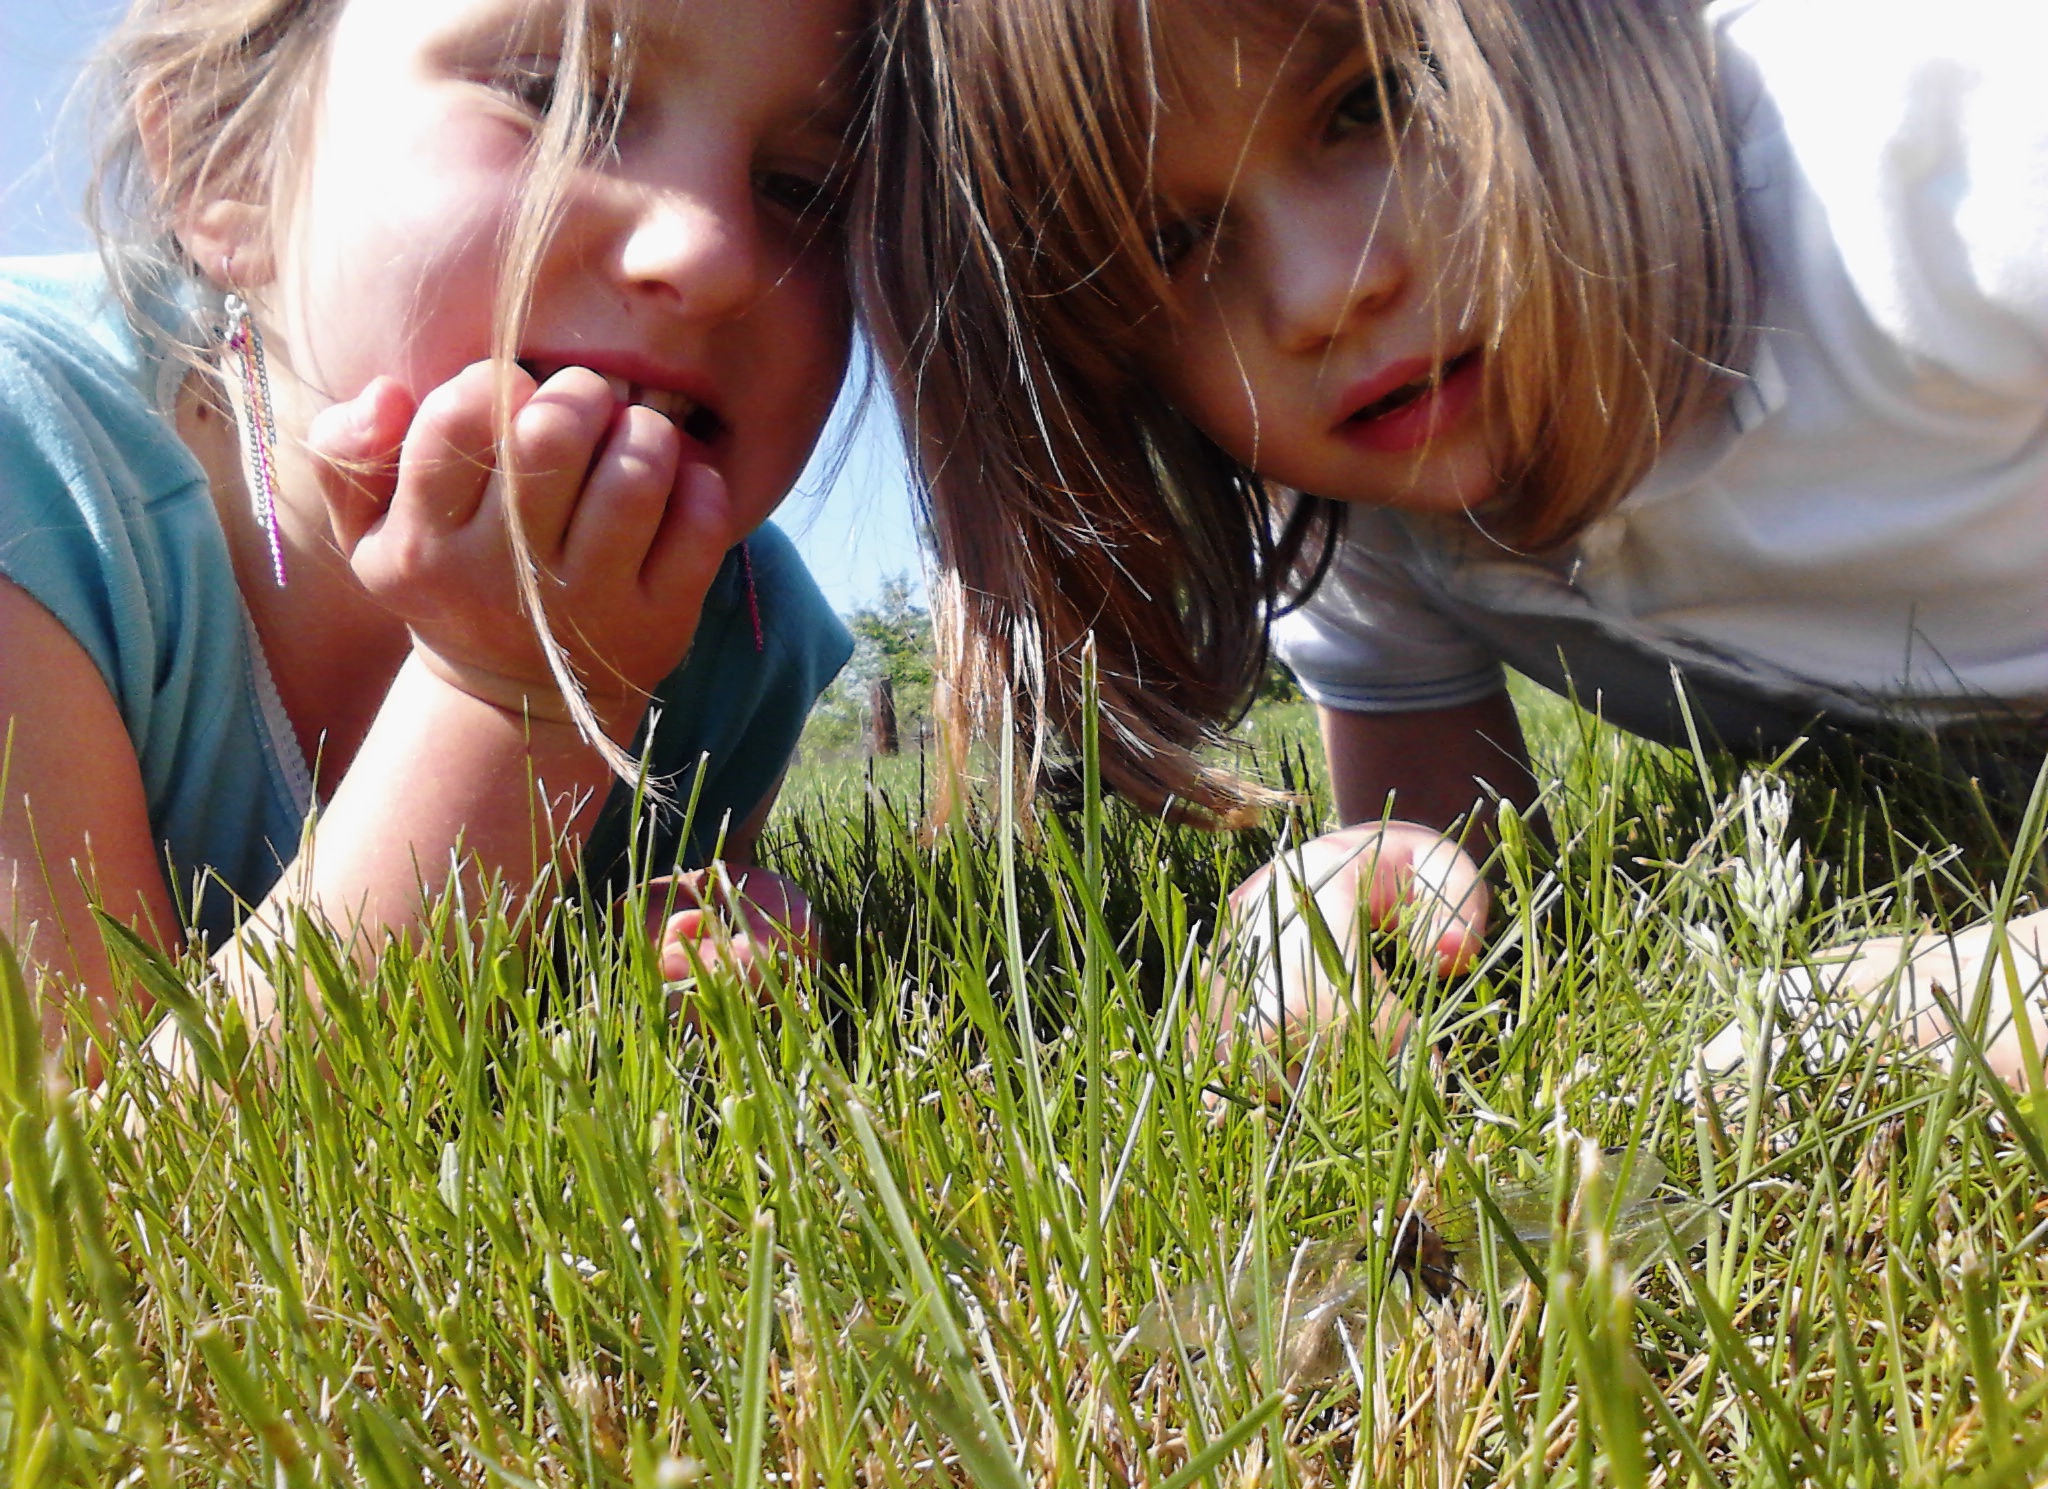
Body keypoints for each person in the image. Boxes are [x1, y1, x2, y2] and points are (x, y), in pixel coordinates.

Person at [860, 0, 2048, 1082]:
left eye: (1369, 101)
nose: (1321, 293)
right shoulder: (1370, 516)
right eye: (1170, 242)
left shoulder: (1935, 150)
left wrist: (1959, 1001)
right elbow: (1459, 883)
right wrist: (1346, 895)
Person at [0, 0, 869, 1064]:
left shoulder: (743, 632)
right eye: (554, 98)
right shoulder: (31, 478)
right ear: (227, 162)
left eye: (804, 188)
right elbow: (90, 1153)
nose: (711, 251)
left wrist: (647, 971)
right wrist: (517, 693)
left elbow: (558, 1017)